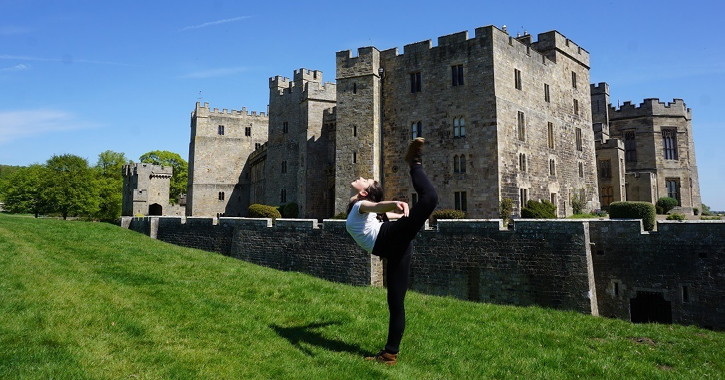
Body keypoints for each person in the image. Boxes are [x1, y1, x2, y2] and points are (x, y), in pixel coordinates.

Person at [345, 137, 438, 365]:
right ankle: (389, 355)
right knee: (396, 302)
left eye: (365, 180)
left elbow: (381, 210)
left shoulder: (361, 205)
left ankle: (414, 162)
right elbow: (380, 210)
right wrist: (396, 206)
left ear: (365, 193)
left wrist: (397, 207)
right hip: (394, 246)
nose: (361, 178)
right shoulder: (361, 207)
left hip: (391, 238)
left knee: (430, 199)